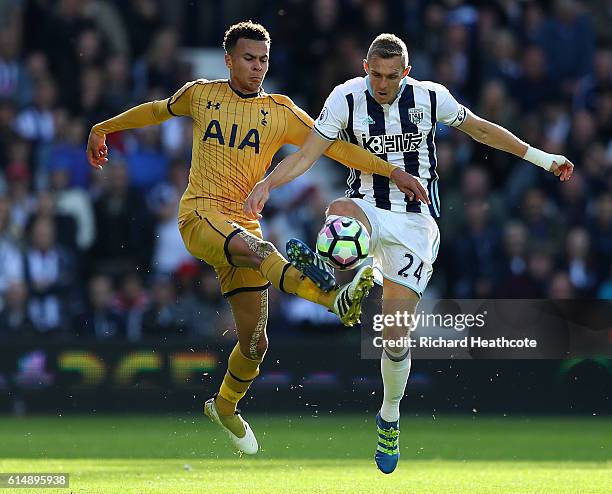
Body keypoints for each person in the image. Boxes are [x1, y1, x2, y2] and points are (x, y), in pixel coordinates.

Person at [86, 22, 426, 456]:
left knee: (254, 343)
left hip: (242, 224)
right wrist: (104, 126)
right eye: (249, 59)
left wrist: (393, 170)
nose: (257, 68)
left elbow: (335, 148)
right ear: (228, 59)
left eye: (264, 59)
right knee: (262, 250)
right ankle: (333, 300)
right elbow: (156, 111)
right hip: (201, 215)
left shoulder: (280, 111)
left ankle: (224, 406)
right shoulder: (201, 94)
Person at [244, 33, 574, 473]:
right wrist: (268, 182)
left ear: (407, 72)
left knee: (394, 339)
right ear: (365, 68)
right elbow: (307, 155)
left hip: (415, 224)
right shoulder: (345, 97)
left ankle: (390, 415)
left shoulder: (430, 98)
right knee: (340, 214)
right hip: (365, 206)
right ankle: (343, 275)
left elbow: (480, 128)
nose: (382, 84)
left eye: (391, 76)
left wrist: (541, 157)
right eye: (375, 74)